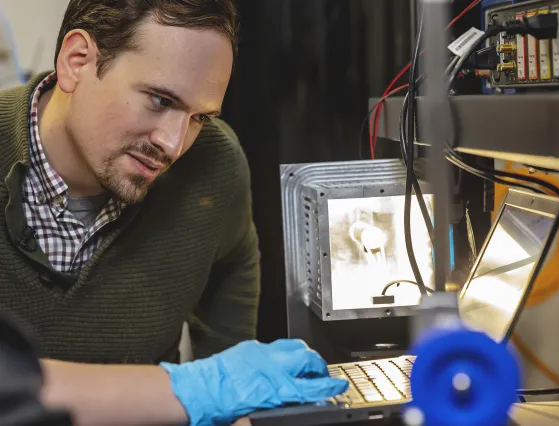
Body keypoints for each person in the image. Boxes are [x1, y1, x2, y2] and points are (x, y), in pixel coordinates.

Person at [0, 0, 348, 424]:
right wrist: (195, 389)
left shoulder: (212, 168)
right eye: (160, 100)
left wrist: (230, 397)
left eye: (199, 116)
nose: (173, 143)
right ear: (77, 61)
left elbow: (233, 272)